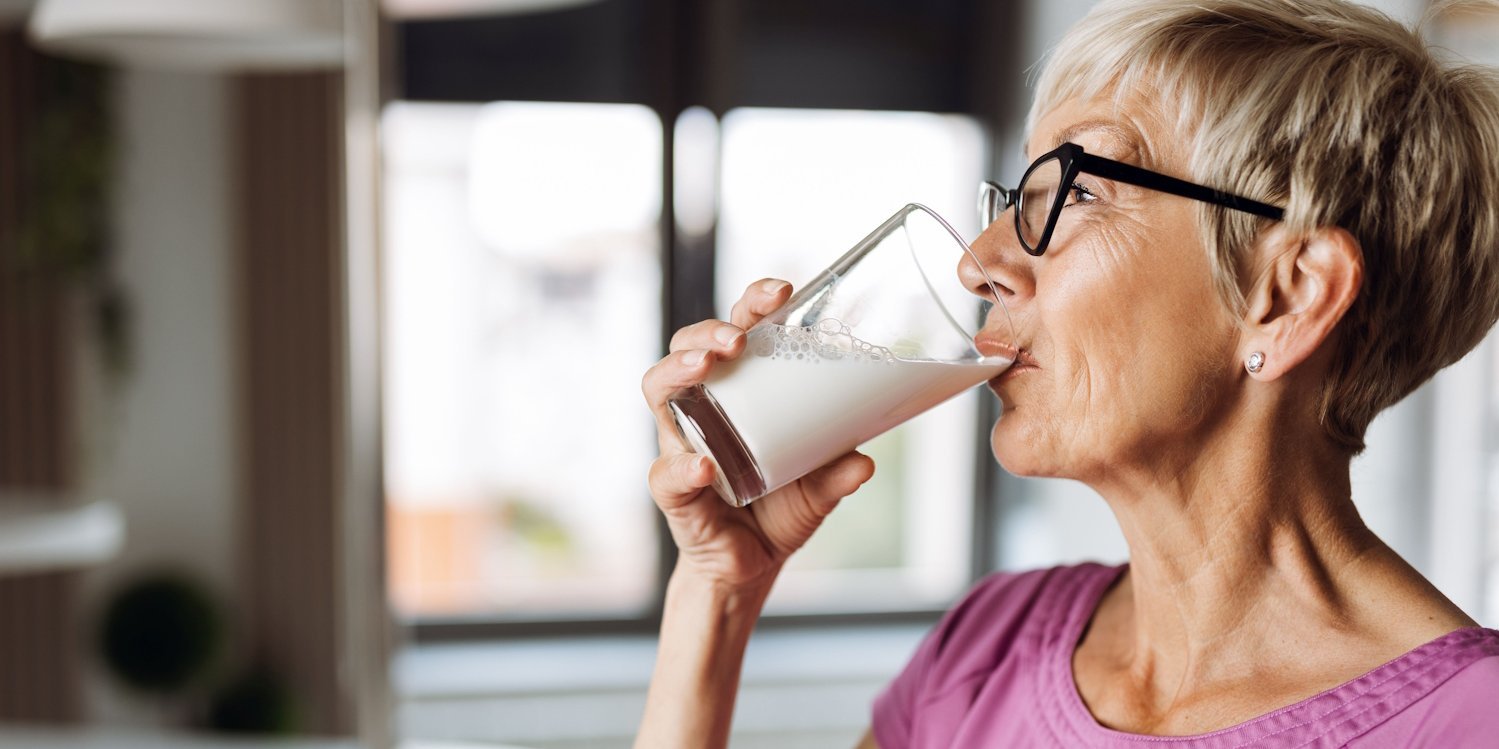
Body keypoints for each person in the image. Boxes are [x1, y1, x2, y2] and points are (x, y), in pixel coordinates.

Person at [634, 0, 1499, 746]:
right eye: (1013, 199)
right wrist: (715, 592)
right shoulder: (989, 648)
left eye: (1076, 190)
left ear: (1286, 295)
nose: (978, 262)